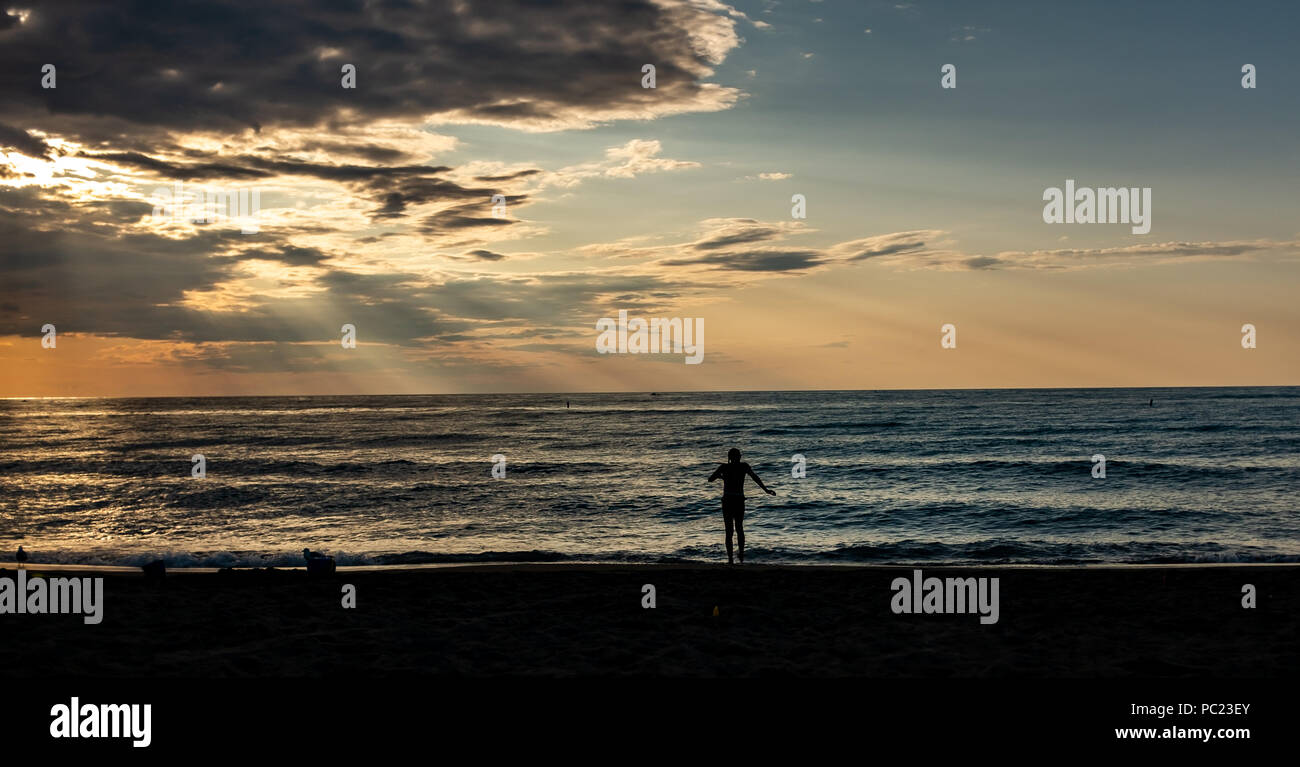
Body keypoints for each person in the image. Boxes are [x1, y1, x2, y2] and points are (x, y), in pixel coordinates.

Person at [708, 448, 775, 564]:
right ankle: (741, 556)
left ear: (729, 457)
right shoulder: (744, 466)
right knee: (739, 528)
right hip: (739, 500)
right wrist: (766, 490)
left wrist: (722, 477)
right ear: (739, 457)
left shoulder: (724, 467)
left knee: (729, 531)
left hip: (727, 500)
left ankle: (730, 559)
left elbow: (710, 479)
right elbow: (755, 477)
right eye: (739, 455)